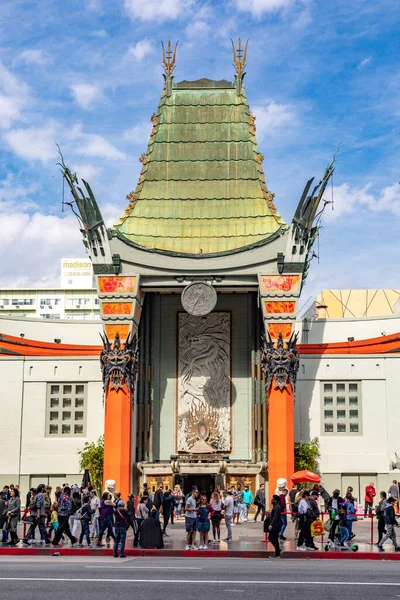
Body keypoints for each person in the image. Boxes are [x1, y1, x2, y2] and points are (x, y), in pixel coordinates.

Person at [268, 494, 282, 559]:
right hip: (275, 525)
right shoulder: (275, 506)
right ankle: (278, 551)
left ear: (275, 500)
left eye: (273, 499)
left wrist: (271, 524)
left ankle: (277, 553)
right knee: (273, 538)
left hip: (276, 525)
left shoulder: (277, 507)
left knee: (272, 538)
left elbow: (276, 517)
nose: (271, 500)